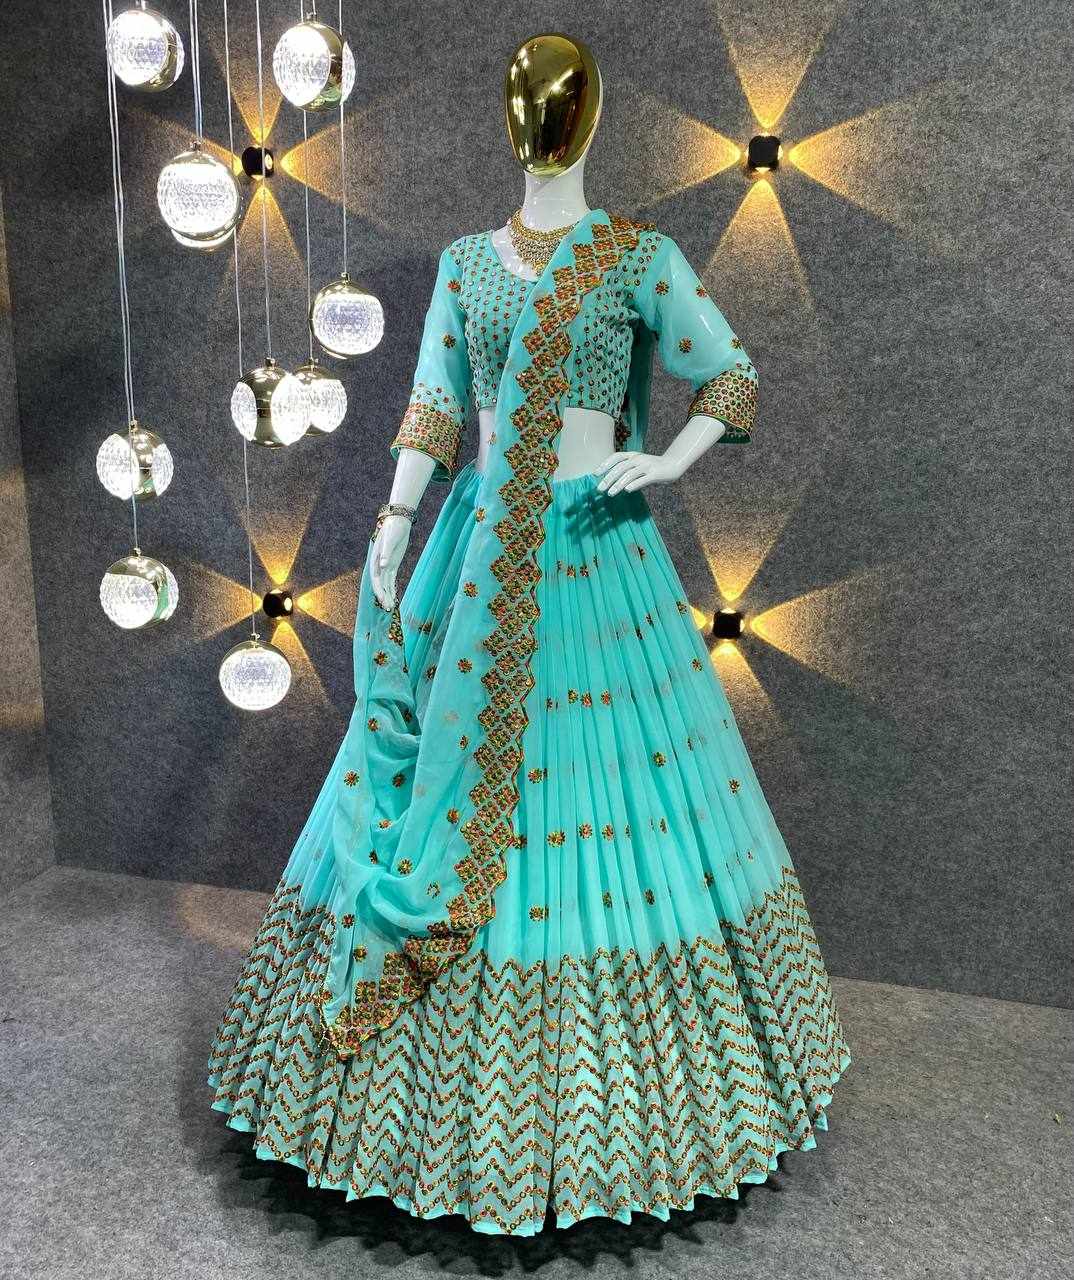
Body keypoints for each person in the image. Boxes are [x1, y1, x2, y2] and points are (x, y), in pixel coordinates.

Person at [208, 33, 850, 1236]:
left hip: (597, 547)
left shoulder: (639, 256)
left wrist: (666, 460)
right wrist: (398, 518)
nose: (537, 120)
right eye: (521, 100)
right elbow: (436, 403)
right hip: (477, 546)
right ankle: (418, 1118)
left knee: (612, 795)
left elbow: (732, 377)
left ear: (587, 121)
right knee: (435, 774)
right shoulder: (465, 264)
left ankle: (621, 1123)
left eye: (556, 102)